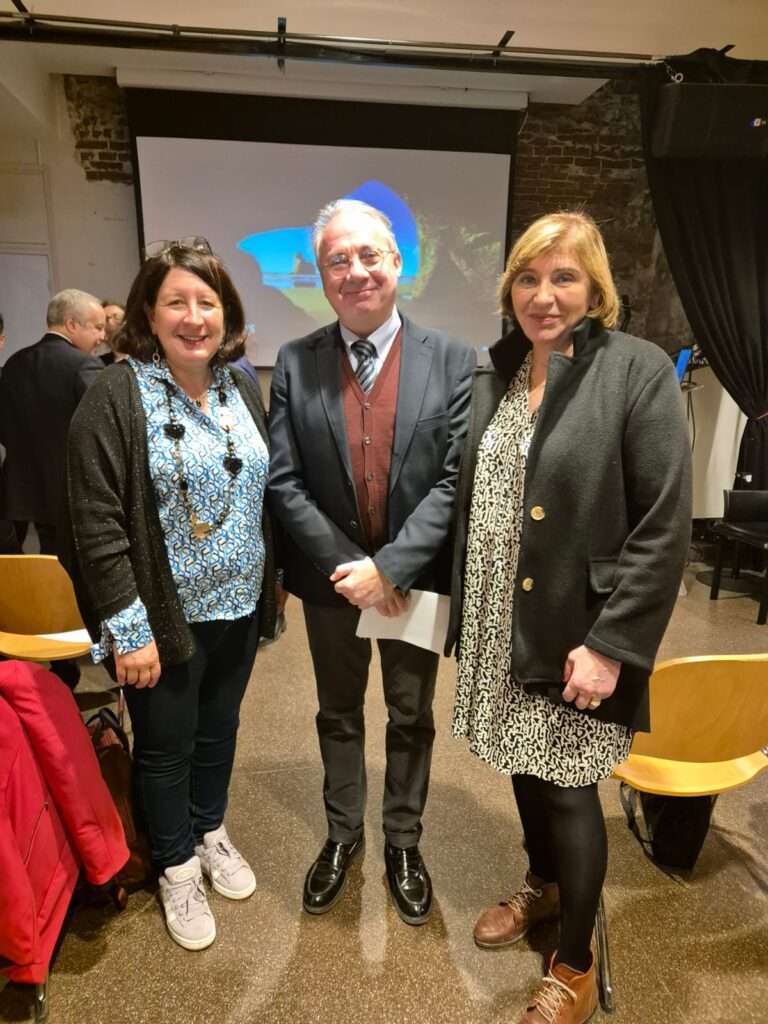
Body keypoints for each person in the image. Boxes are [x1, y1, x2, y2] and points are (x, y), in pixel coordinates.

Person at [447, 212, 691, 1024]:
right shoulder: (504, 371)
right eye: (527, 277)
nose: (543, 295)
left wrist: (613, 645)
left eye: (564, 278)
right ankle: (544, 885)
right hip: (499, 617)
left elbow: (664, 523)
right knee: (523, 763)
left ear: (596, 289)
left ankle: (575, 963)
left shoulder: (636, 370)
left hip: (579, 628)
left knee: (568, 785)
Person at [61, 240, 277, 952]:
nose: (194, 317)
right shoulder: (115, 396)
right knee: (164, 748)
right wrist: (130, 628)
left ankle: (210, 830)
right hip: (163, 617)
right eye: (177, 301)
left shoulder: (241, 385)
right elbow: (96, 521)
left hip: (239, 607)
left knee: (219, 734)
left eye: (207, 302)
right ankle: (178, 864)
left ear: (227, 313)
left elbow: (259, 498)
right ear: (148, 313)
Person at [268, 198, 475, 924]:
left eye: (368, 256)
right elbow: (284, 480)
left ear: (398, 266)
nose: (355, 272)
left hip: (412, 583)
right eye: (337, 261)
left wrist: (389, 567)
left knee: (412, 715)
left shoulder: (451, 358)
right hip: (331, 588)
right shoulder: (295, 362)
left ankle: (404, 842)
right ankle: (341, 835)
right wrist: (350, 569)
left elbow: (456, 478)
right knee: (337, 712)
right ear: (322, 276)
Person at [0, 289, 104, 555]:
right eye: (97, 327)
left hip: (26, 491)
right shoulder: (85, 367)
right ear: (71, 324)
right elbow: (103, 432)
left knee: (46, 570)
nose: (102, 337)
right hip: (76, 495)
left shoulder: (14, 363)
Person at [98, 299, 126, 364]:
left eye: (117, 316)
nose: (110, 320)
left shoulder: (149, 356)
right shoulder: (99, 363)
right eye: (106, 319)